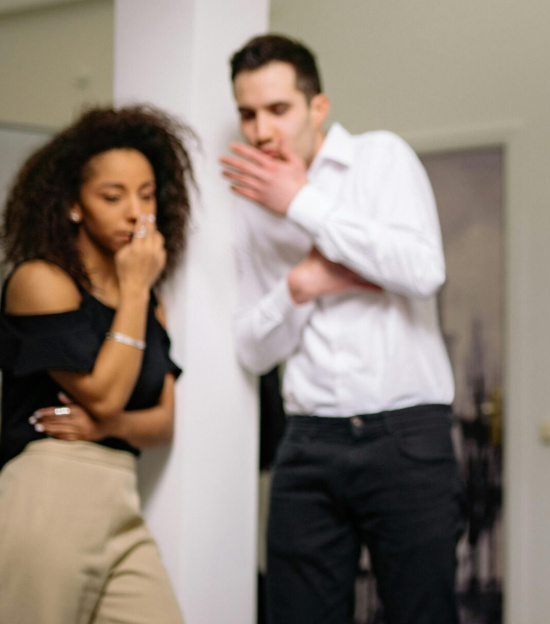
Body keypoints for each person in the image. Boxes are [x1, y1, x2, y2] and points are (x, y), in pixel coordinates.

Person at [221, 34, 460, 624]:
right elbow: (251, 347)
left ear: (317, 108)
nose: (260, 130)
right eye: (247, 114)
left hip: (406, 437)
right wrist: (299, 286)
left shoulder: (381, 159)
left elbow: (422, 270)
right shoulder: (248, 208)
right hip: (307, 444)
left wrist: (301, 202)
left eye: (278, 109)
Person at [0, 106, 192, 624]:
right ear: (73, 205)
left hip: (119, 494)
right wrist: (134, 288)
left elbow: (162, 422)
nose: (135, 212)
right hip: (49, 489)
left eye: (147, 195)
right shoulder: (40, 282)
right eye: (113, 196)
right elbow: (105, 391)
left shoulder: (149, 302)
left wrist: (108, 426)